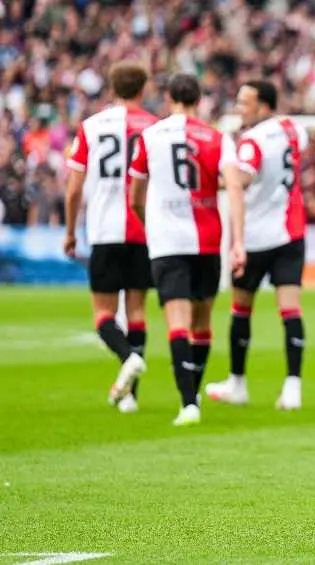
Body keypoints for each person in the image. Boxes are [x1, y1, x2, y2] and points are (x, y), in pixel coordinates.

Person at [127, 74, 247, 427]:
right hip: (207, 238)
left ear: (169, 98)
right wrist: (237, 240)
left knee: (176, 322)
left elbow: (136, 194)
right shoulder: (217, 137)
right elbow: (235, 186)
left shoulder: (149, 136)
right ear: (198, 100)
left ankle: (188, 403)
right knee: (202, 322)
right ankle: (193, 393)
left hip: (166, 241)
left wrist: (149, 221)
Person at [204, 80, 311, 410]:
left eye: (244, 102)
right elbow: (314, 133)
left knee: (241, 309)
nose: (239, 107)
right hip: (291, 232)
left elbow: (243, 179)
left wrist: (213, 179)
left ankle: (237, 383)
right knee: (290, 309)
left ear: (263, 105)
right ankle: (293, 387)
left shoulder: (251, 142)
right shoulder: (291, 128)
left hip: (255, 239)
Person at [63, 61, 158, 413]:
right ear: (143, 89)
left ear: (112, 87)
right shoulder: (154, 127)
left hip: (104, 229)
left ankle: (128, 358)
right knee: (136, 312)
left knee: (103, 314)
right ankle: (131, 397)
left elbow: (73, 190)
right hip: (143, 229)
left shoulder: (90, 127)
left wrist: (71, 231)